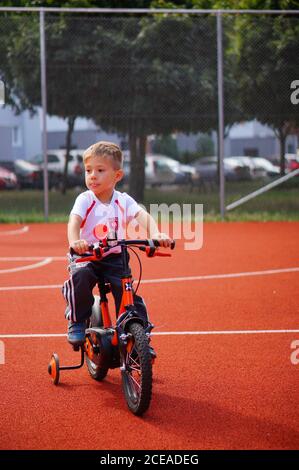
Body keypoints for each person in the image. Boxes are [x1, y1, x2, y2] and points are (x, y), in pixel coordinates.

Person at [62, 141, 172, 348]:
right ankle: (76, 320)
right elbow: (74, 222)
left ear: (117, 176)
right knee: (81, 276)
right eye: (88, 170)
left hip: (114, 257)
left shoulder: (123, 200)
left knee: (128, 293)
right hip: (87, 256)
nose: (92, 175)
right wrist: (75, 242)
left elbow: (142, 215)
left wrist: (156, 234)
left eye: (100, 170)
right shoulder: (85, 199)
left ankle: (139, 334)